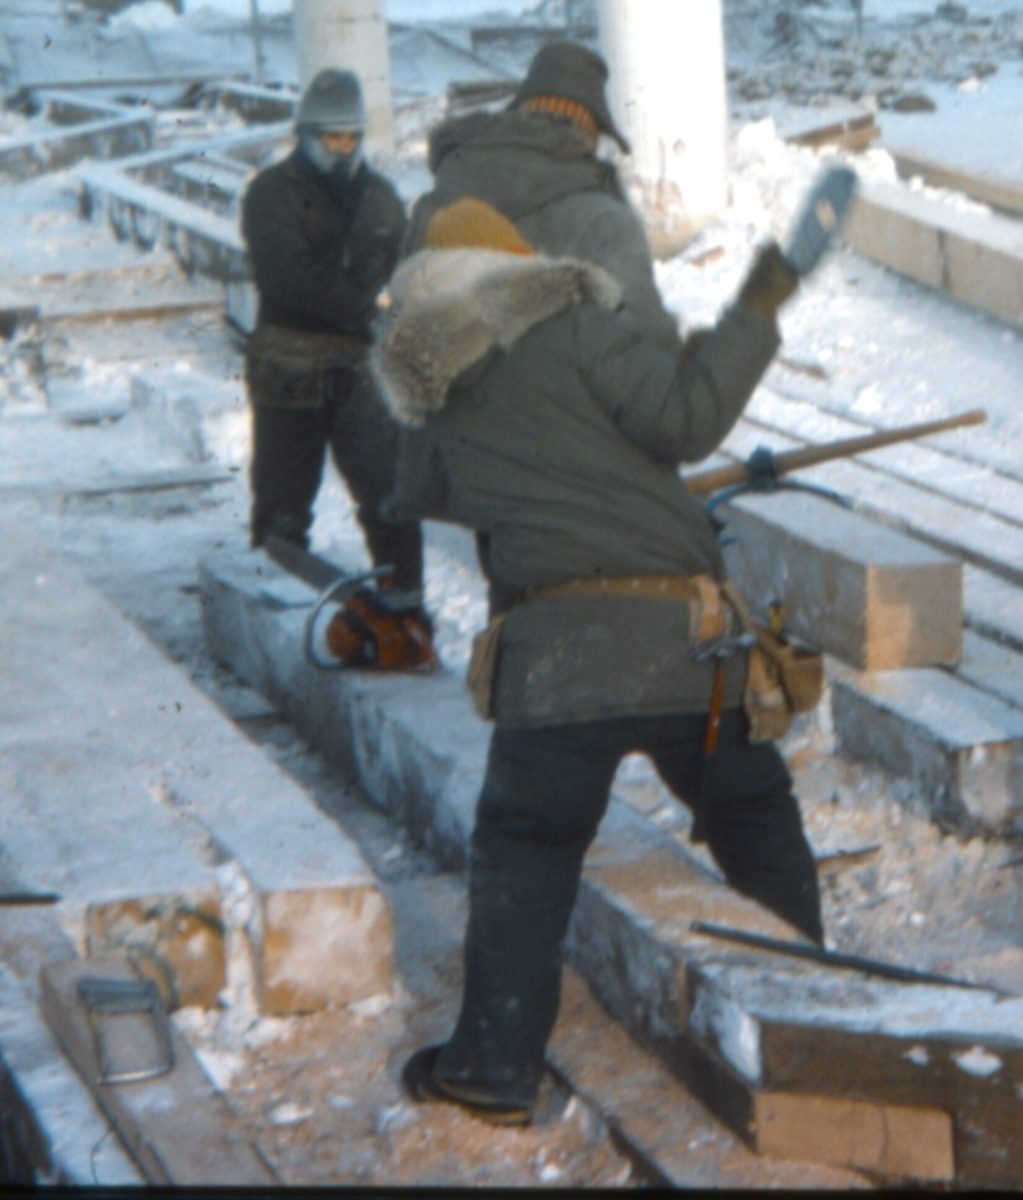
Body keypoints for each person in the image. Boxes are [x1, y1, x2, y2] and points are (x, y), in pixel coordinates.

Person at [375, 198, 823, 1124]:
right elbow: (686, 420)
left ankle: (493, 1067)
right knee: (752, 815)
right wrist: (754, 310)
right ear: (515, 263)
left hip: (551, 661)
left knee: (525, 852)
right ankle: (818, 1024)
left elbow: (432, 494)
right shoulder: (571, 324)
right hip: (683, 645)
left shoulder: (435, 386)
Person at [239, 68, 424, 597]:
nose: (343, 148)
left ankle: (404, 610)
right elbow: (289, 276)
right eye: (331, 137)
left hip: (361, 369)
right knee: (283, 507)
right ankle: (278, 608)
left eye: (352, 136)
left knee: (390, 500)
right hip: (289, 366)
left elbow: (404, 267)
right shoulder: (270, 193)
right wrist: (367, 309)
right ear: (305, 135)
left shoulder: (382, 197)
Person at [402, 41, 680, 355]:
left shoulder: (436, 201)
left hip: (451, 383)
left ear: (520, 113)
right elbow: (648, 341)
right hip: (569, 384)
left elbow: (400, 326)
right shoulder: (604, 220)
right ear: (588, 132)